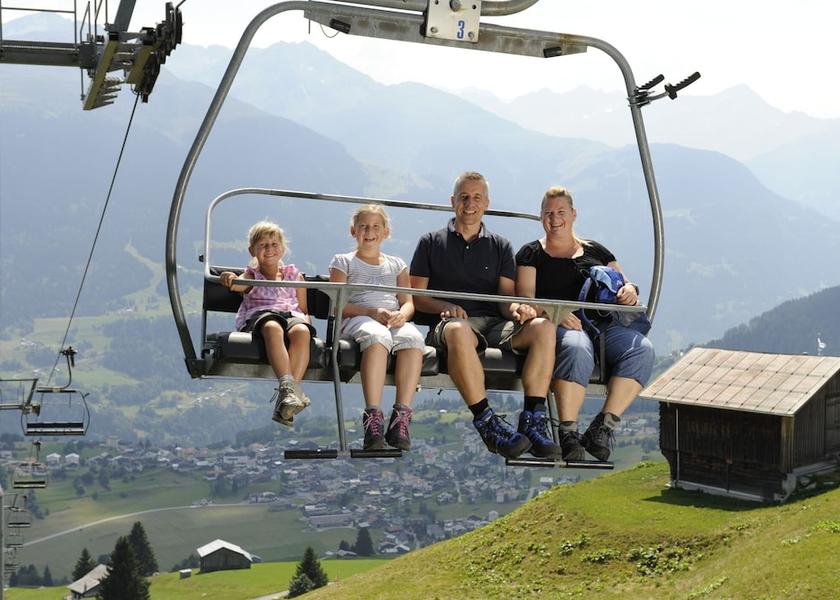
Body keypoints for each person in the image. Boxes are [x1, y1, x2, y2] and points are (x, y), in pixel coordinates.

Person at [410, 171, 558, 459]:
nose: (470, 204)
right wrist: (444, 307)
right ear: (453, 201)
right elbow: (417, 297)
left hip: (494, 323)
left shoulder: (500, 245)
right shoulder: (430, 242)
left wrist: (517, 309)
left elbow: (504, 298)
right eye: (464, 197)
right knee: (458, 329)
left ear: (487, 203)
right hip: (449, 324)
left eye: (477, 197)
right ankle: (487, 422)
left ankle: (532, 420)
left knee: (543, 327)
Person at [515, 186, 655, 461]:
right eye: (548, 213)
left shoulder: (596, 250)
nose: (555, 219)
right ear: (541, 217)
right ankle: (568, 432)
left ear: (574, 214)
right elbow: (526, 299)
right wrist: (556, 312)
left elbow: (623, 281)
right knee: (578, 347)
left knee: (642, 350)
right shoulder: (532, 254)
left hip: (603, 325)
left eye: (561, 212)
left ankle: (603, 426)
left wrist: (630, 290)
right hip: (560, 323)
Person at [330, 205, 424, 451]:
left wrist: (401, 316)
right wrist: (371, 312)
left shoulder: (397, 265)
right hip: (358, 317)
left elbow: (408, 303)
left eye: (375, 227)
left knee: (413, 338)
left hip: (390, 318)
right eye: (363, 226)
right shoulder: (343, 262)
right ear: (353, 231)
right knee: (377, 335)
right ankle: (373, 417)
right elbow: (337, 305)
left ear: (385, 232)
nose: (369, 232)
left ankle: (401, 417)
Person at [219, 221, 314, 427]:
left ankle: (288, 400)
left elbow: (303, 308)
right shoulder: (253, 275)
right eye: (262, 245)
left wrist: (306, 326)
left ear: (282, 248)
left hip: (291, 315)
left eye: (273, 244)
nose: (269, 249)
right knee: (273, 327)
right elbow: (239, 284)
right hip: (262, 316)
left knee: (300, 331)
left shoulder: (294, 275)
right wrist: (230, 279)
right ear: (252, 250)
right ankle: (289, 388)